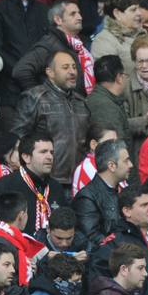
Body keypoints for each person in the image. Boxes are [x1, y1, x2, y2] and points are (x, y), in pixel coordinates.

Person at [13, 49, 90, 195]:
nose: (72, 72)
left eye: (74, 67)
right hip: (45, 182)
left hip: (79, 182)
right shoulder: (35, 97)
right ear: (50, 72)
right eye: (65, 67)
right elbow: (18, 138)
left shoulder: (81, 102)